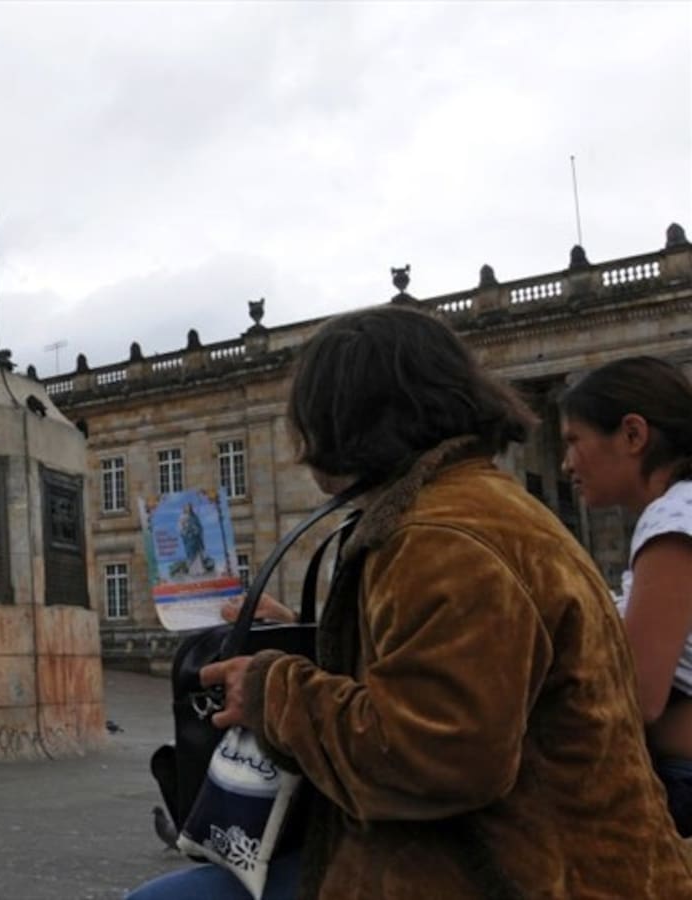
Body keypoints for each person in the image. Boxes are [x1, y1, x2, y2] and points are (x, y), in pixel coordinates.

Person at [128, 307, 691, 899]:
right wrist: (310, 637)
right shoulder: (477, 507)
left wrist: (273, 692)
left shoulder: (441, 537)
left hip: (514, 872)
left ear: (345, 421)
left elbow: (441, 755)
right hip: (523, 852)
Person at [559, 355, 692, 836]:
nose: (566, 463)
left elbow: (635, 697)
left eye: (574, 441)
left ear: (633, 435)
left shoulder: (671, 522)